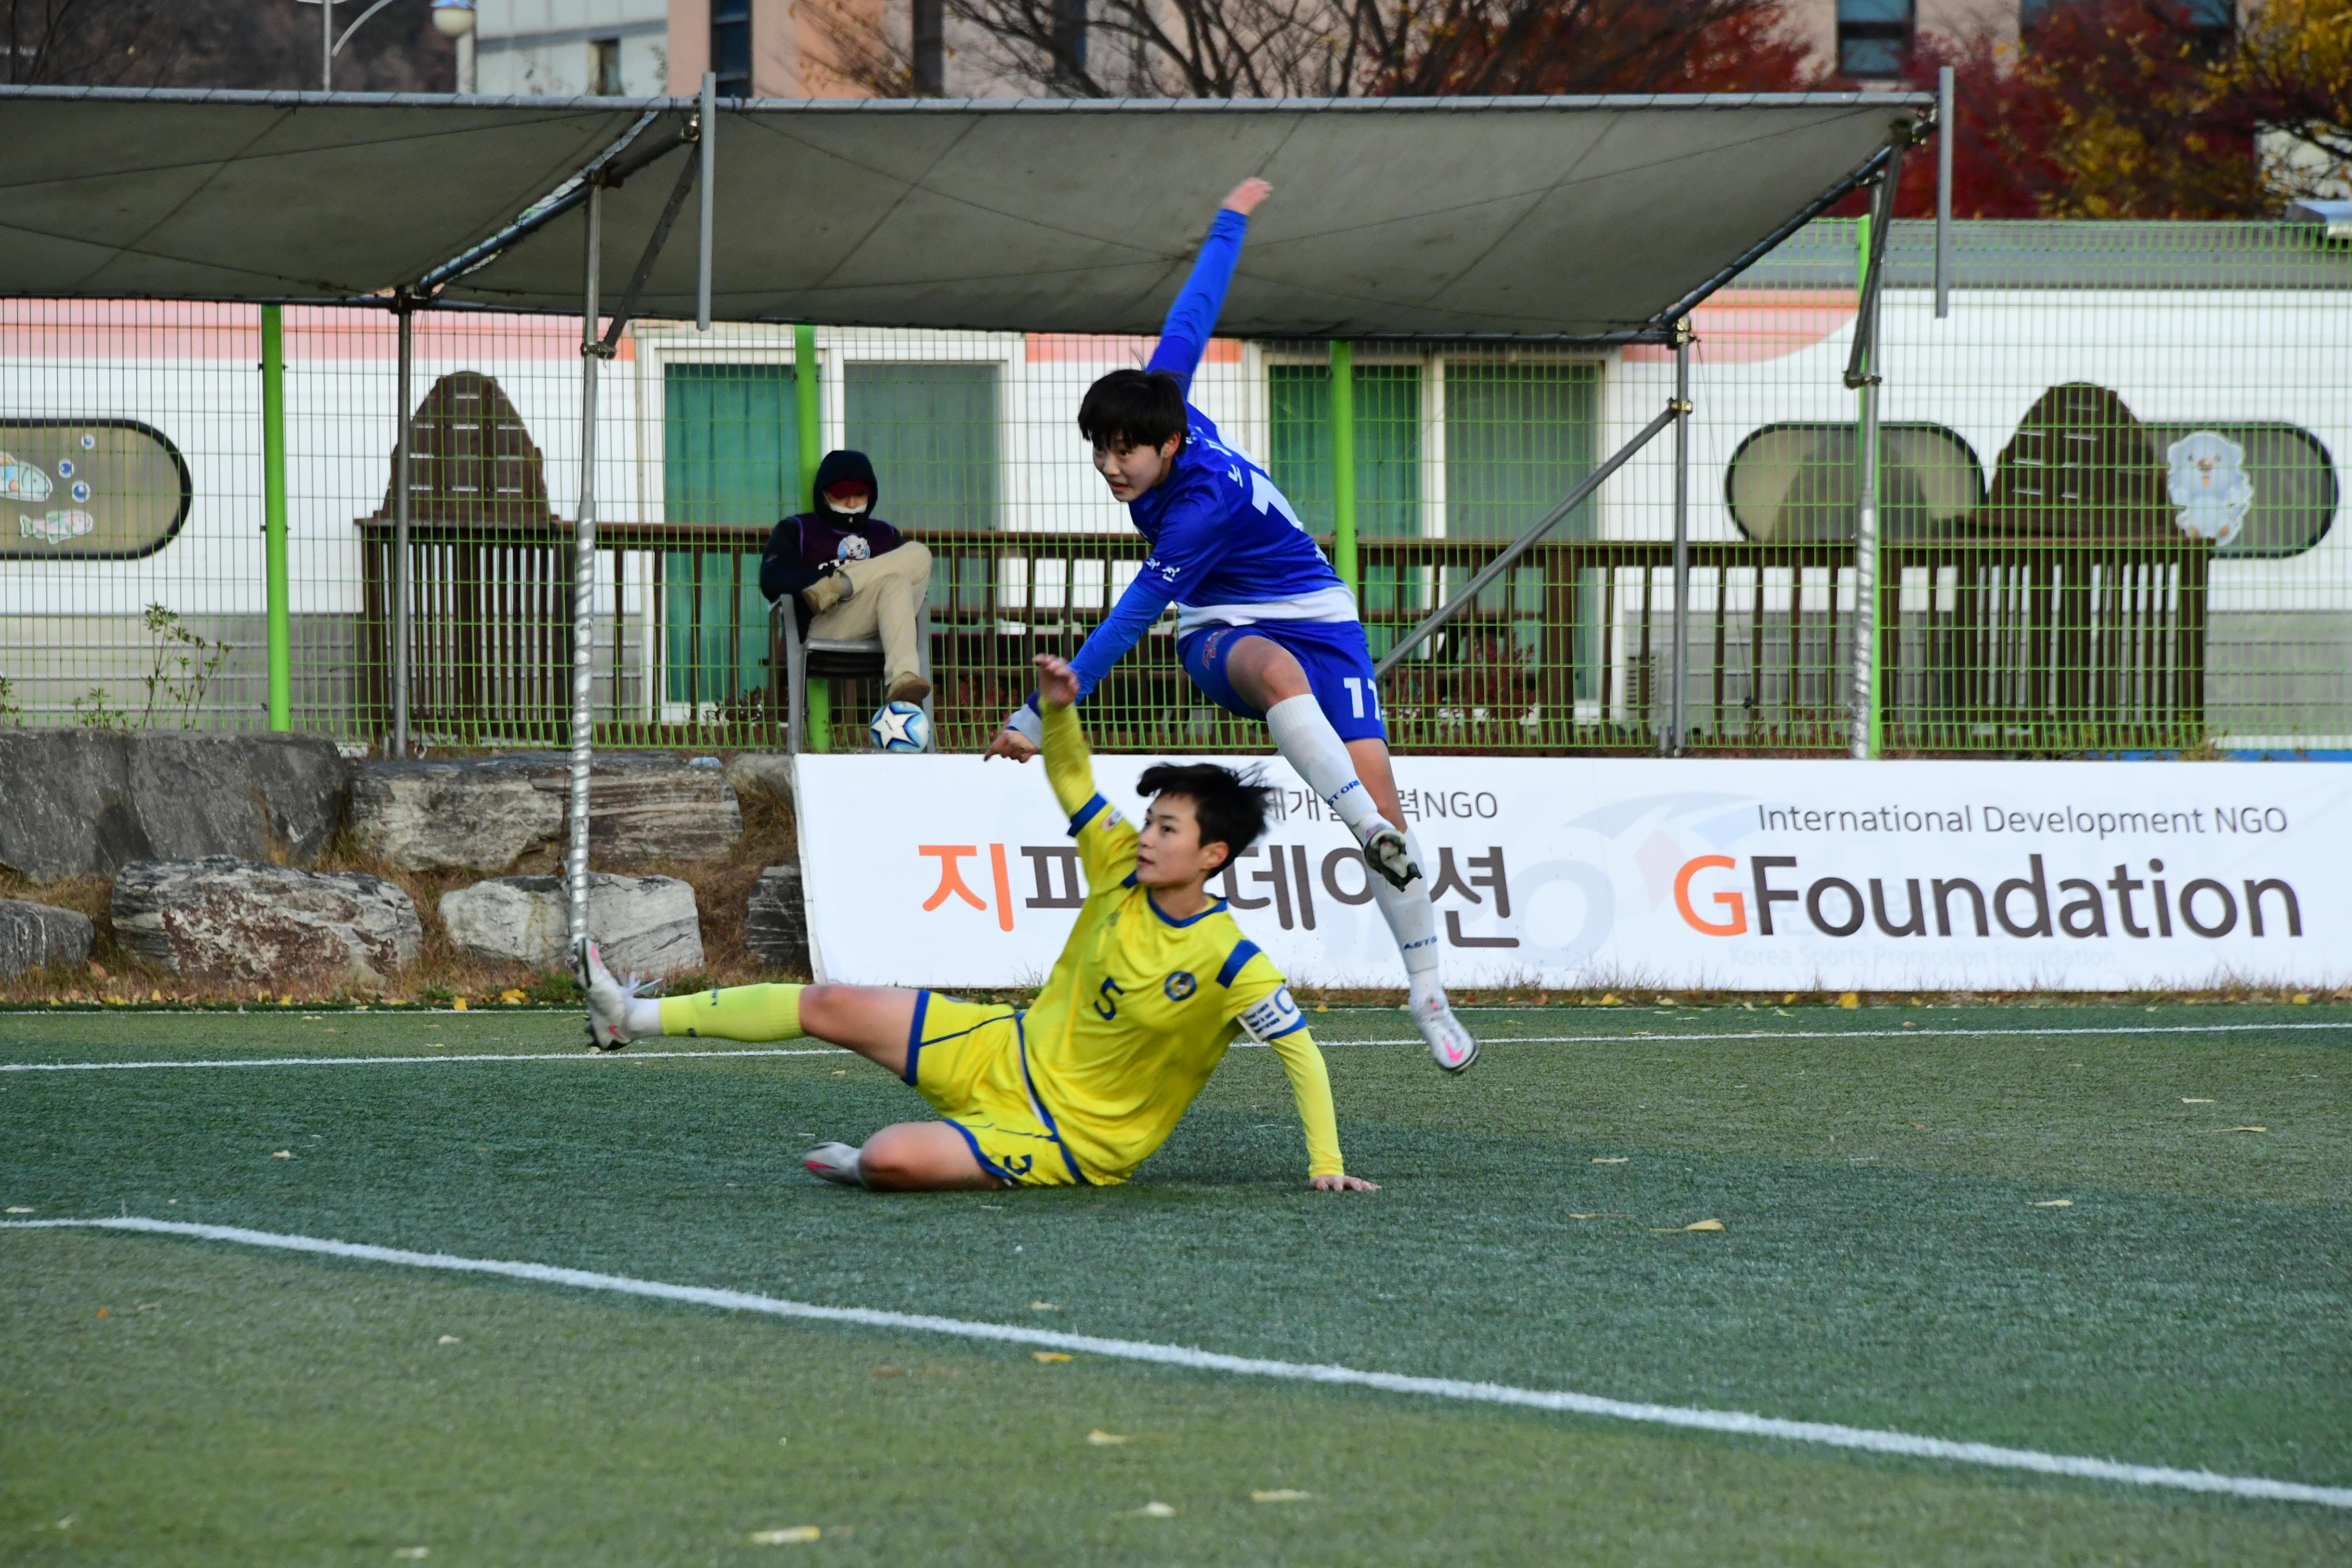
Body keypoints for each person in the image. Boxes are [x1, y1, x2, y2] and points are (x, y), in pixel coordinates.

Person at [983, 177, 1477, 1074]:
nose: (1110, 465)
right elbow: (1195, 312)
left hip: (1324, 615)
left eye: (1124, 450)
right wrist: (1229, 221)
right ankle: (1364, 825)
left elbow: (1128, 611)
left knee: (1391, 815)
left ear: (1168, 445)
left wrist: (1027, 714)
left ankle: (1428, 987)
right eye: (1099, 448)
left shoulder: (1198, 504)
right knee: (1279, 679)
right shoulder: (1164, 401)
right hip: (1218, 628)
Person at [576, 651, 1377, 1195]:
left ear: (1213, 854)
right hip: (1003, 1045)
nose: (1147, 835)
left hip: (1071, 1140)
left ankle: (870, 1165)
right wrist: (1057, 711)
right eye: (1151, 819)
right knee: (831, 1004)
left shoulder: (1232, 960)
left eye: (1168, 828)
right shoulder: (1116, 863)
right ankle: (628, 1016)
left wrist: (1326, 1163)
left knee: (886, 1157)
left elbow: (1300, 1053)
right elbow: (1070, 775)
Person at [760, 448, 932, 705]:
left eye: (859, 494)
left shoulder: (886, 534)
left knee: (918, 555)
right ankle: (902, 674)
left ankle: (839, 586)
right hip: (827, 624)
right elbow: (771, 581)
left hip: (884, 626)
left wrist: (841, 580)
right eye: (842, 494)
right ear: (824, 492)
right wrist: (819, 576)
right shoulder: (797, 529)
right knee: (895, 579)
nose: (852, 503)